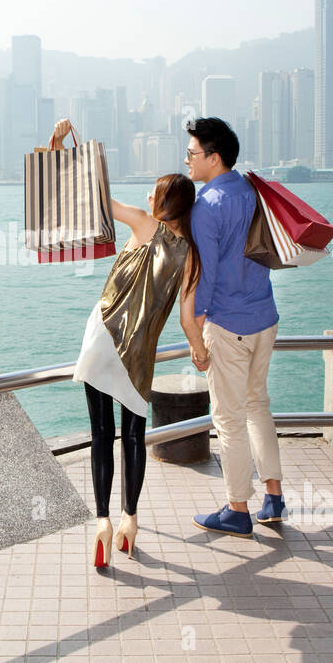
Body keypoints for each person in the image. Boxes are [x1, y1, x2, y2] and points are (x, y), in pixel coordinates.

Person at [72, 172, 206, 568]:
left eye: (155, 190)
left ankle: (102, 523)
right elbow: (186, 318)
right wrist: (199, 352)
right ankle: (130, 519)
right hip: (139, 353)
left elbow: (97, 196)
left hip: (101, 337)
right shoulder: (192, 255)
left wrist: (61, 149)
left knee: (101, 433)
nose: (148, 194)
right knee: (133, 436)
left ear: (164, 203)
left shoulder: (144, 224)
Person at [184, 117, 284, 539]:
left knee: (228, 419)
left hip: (229, 323)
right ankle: (274, 497)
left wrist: (196, 329)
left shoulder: (206, 207)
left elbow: (203, 276)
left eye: (192, 154)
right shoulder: (251, 190)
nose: (187, 161)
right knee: (257, 404)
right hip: (265, 318)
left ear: (214, 157)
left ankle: (238, 509)